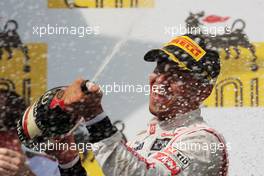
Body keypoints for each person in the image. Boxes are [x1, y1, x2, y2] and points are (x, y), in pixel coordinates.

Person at [19, 34, 229, 176]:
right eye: (159, 68)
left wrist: (94, 115)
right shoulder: (141, 140)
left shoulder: (204, 141)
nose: (161, 80)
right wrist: (69, 162)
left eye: (177, 74)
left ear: (203, 90)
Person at [0, 89, 60, 176]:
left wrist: (25, 173)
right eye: (2, 135)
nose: (11, 141)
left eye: (14, 133)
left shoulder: (45, 165)